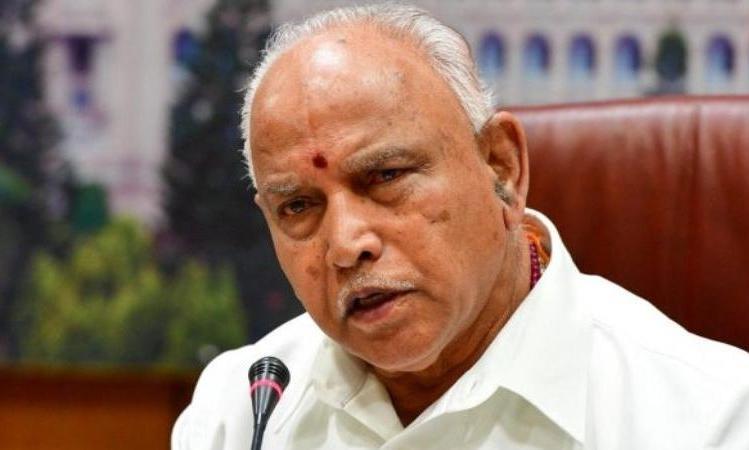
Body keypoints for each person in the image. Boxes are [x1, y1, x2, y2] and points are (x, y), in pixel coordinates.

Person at [172, 4, 749, 449]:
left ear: (502, 167)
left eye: (386, 176)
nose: (346, 245)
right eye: (298, 206)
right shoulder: (245, 410)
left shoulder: (710, 418)